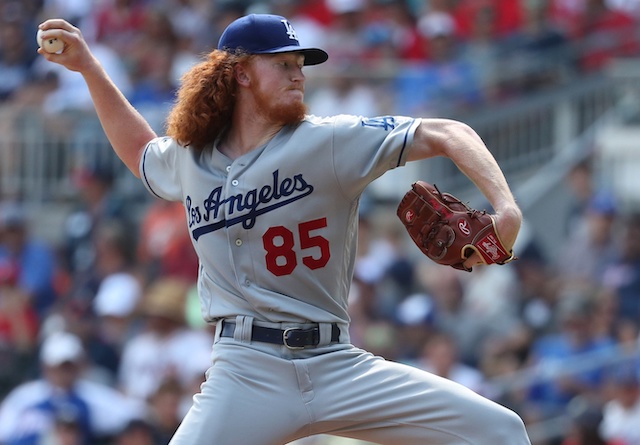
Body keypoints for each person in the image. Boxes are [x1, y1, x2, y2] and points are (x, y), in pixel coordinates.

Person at [36, 13, 530, 444]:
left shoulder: (330, 140)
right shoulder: (191, 159)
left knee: (500, 431)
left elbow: (449, 131)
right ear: (241, 73)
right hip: (245, 371)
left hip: (338, 363)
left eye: (300, 65)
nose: (299, 75)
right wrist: (89, 68)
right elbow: (140, 153)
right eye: (283, 63)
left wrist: (505, 209)